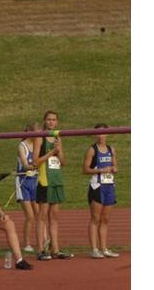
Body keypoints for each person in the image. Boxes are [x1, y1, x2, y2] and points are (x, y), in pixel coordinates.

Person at [33, 110, 73, 261]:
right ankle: (40, 249)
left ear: (57, 122)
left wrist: (59, 151)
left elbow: (63, 162)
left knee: (54, 217)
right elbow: (35, 162)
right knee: (42, 216)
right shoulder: (40, 138)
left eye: (54, 120)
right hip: (45, 180)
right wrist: (51, 153)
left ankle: (55, 249)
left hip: (56, 179)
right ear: (44, 121)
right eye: (49, 119)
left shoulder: (57, 138)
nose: (51, 122)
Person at [82, 123, 119, 258]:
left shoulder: (111, 149)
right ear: (94, 134)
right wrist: (100, 170)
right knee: (95, 218)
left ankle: (104, 248)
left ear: (107, 134)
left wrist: (114, 169)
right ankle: (94, 249)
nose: (101, 136)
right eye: (98, 133)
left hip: (109, 186)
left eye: (103, 133)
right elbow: (85, 169)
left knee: (105, 219)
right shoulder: (92, 150)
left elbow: (115, 166)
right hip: (97, 186)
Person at [15, 122, 47, 253]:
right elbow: (25, 163)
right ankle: (27, 243)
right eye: (37, 133)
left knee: (40, 214)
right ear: (30, 132)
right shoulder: (22, 146)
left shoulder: (38, 145)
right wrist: (34, 165)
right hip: (23, 182)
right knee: (30, 216)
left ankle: (45, 240)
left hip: (35, 181)